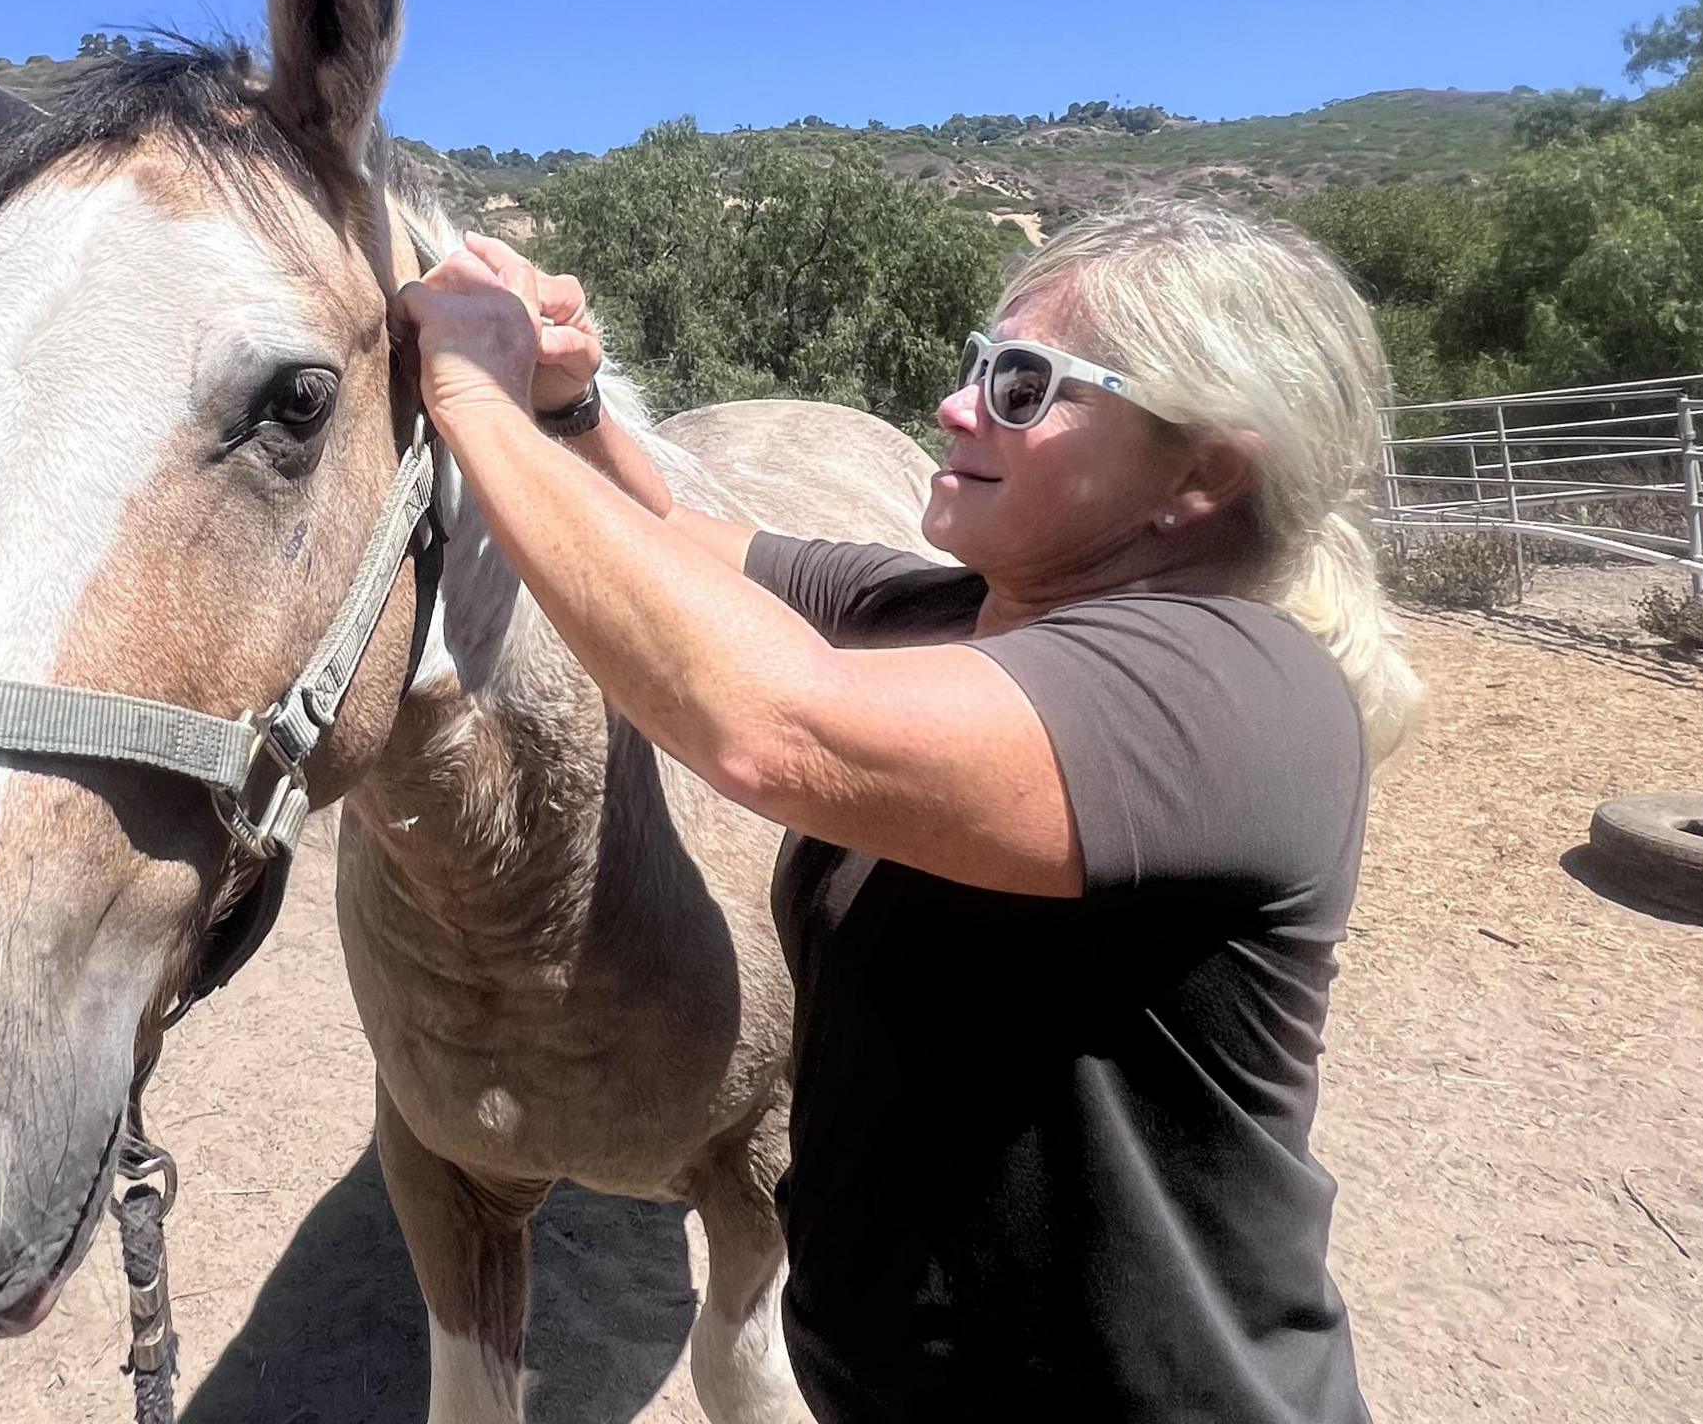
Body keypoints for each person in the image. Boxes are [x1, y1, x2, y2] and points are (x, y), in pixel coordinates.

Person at [394, 198, 1421, 1423]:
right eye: (982, 364)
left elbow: (770, 731)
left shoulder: (1234, 689)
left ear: (1197, 476)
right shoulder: (951, 611)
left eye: (1027, 386)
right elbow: (669, 534)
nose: (958, 404)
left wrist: (472, 402)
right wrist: (567, 403)